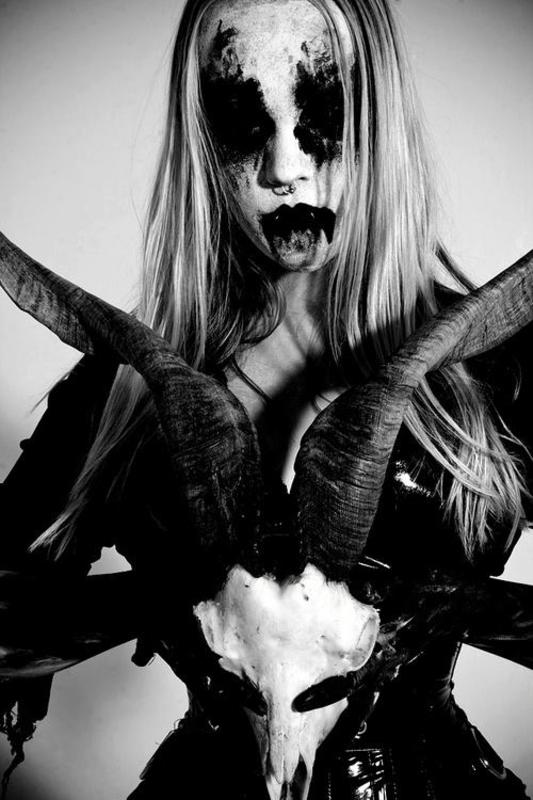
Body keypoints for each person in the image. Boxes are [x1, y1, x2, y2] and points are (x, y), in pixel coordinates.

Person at [1, 0, 531, 797]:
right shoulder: (120, 395)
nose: (286, 167)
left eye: (325, 114)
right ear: (201, 140)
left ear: (379, 117)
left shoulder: (498, 377)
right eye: (242, 123)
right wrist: (159, 605)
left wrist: (446, 607)